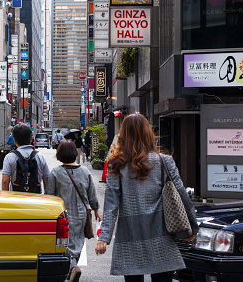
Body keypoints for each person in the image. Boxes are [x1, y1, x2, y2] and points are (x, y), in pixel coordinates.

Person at [95, 113, 198, 282]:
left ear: (124, 134)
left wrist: (104, 238)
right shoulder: (164, 161)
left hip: (130, 236)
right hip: (162, 234)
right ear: (148, 134)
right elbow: (182, 195)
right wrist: (192, 227)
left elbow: (111, 205)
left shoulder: (116, 164)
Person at [46, 140, 101, 282]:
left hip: (63, 216)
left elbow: (49, 196)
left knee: (63, 244)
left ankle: (71, 267)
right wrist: (96, 210)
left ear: (59, 155)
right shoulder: (85, 171)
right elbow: (92, 194)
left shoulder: (56, 173)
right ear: (74, 154)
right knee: (77, 243)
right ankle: (73, 266)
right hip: (81, 214)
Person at [1, 123, 50, 192]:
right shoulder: (40, 156)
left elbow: (5, 181)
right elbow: (47, 180)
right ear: (31, 139)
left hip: (16, 199)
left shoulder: (10, 157)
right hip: (36, 200)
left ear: (14, 140)